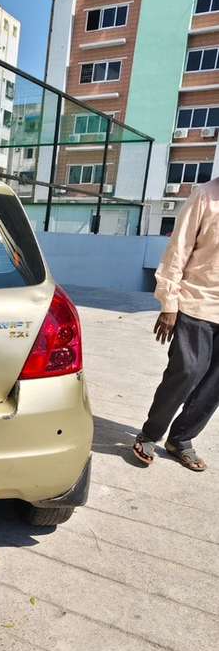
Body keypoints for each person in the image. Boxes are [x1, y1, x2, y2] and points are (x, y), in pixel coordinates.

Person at [133, 180, 219, 471]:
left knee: (214, 385)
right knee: (186, 371)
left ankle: (181, 439)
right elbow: (178, 249)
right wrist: (169, 304)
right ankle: (150, 434)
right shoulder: (205, 196)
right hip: (196, 302)